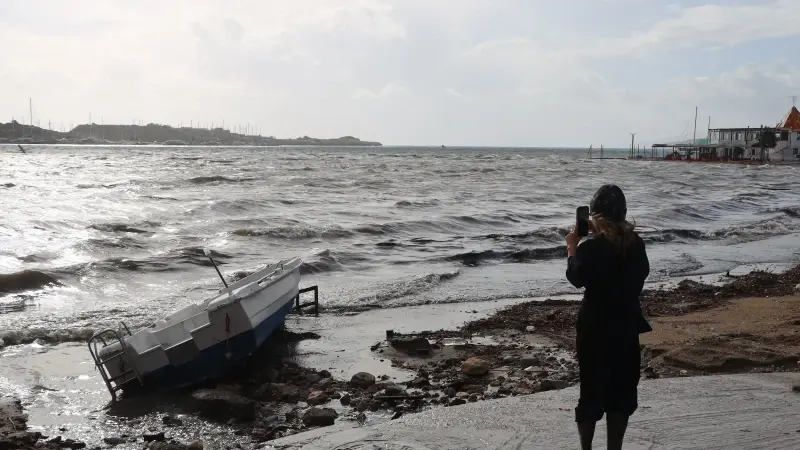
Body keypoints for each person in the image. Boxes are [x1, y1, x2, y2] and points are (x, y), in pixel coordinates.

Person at [564, 184, 651, 450]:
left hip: (595, 326)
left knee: (591, 390)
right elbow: (641, 277)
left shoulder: (593, 247)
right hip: (626, 325)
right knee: (622, 392)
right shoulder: (636, 245)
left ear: (596, 217)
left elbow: (576, 278)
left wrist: (571, 247)